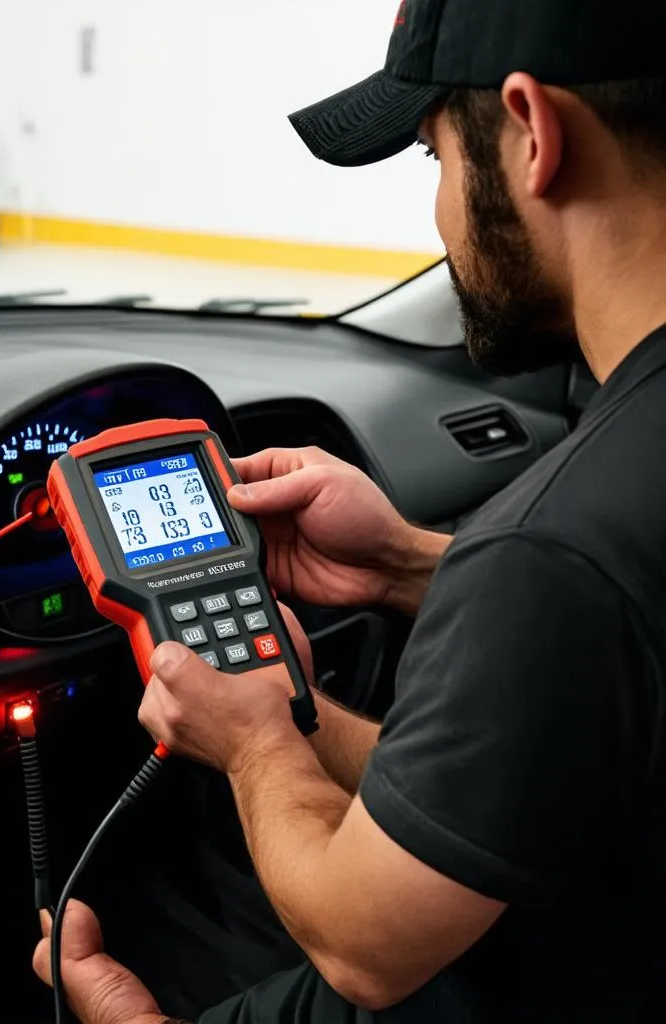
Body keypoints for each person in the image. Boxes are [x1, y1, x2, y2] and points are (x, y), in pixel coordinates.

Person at [34, 0, 666, 1019]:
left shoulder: (551, 554)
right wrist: (407, 564)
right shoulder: (575, 542)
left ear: (533, 133)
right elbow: (541, 745)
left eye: (433, 159)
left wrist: (252, 742)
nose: (442, 211)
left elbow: (365, 949)